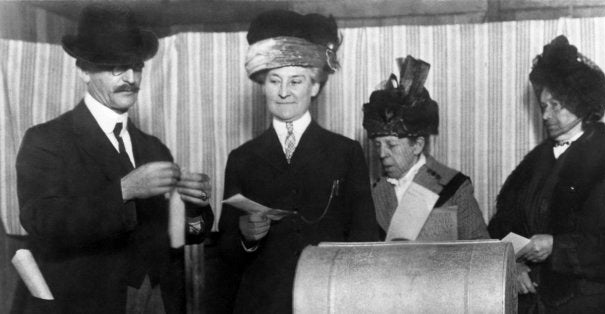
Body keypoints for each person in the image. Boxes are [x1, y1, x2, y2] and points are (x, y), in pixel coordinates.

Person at [13, 4, 212, 314]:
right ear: (83, 71)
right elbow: (41, 221)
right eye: (116, 67)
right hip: (88, 302)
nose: (130, 78)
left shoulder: (154, 148)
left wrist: (195, 207)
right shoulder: (46, 140)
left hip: (159, 299)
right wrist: (124, 189)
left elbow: (188, 237)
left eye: (136, 66)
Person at [217, 10, 379, 314]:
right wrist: (245, 237)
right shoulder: (242, 159)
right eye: (274, 80)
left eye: (295, 81)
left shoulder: (346, 153)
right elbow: (226, 252)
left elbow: (364, 241)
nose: (283, 92)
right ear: (262, 85)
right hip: (262, 305)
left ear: (314, 86)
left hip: (328, 302)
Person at [488, 35, 605, 313]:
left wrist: (557, 247)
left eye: (555, 106)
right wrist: (511, 266)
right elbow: (500, 227)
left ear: (580, 105)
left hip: (591, 305)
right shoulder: (532, 166)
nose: (545, 116)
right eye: (543, 106)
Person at [363, 55, 488, 241]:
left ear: (418, 145)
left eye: (391, 145)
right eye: (378, 145)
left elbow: (481, 250)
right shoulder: (372, 192)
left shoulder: (454, 188)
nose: (382, 154)